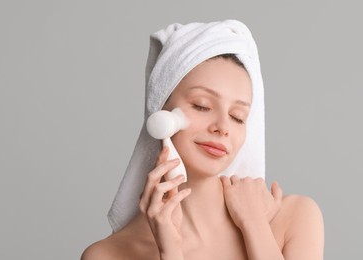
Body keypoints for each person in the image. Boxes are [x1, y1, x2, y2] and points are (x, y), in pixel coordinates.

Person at [81, 20, 324, 260]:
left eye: (237, 117)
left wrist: (255, 226)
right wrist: (170, 250)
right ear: (161, 111)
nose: (222, 127)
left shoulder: (295, 217)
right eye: (202, 106)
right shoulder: (108, 255)